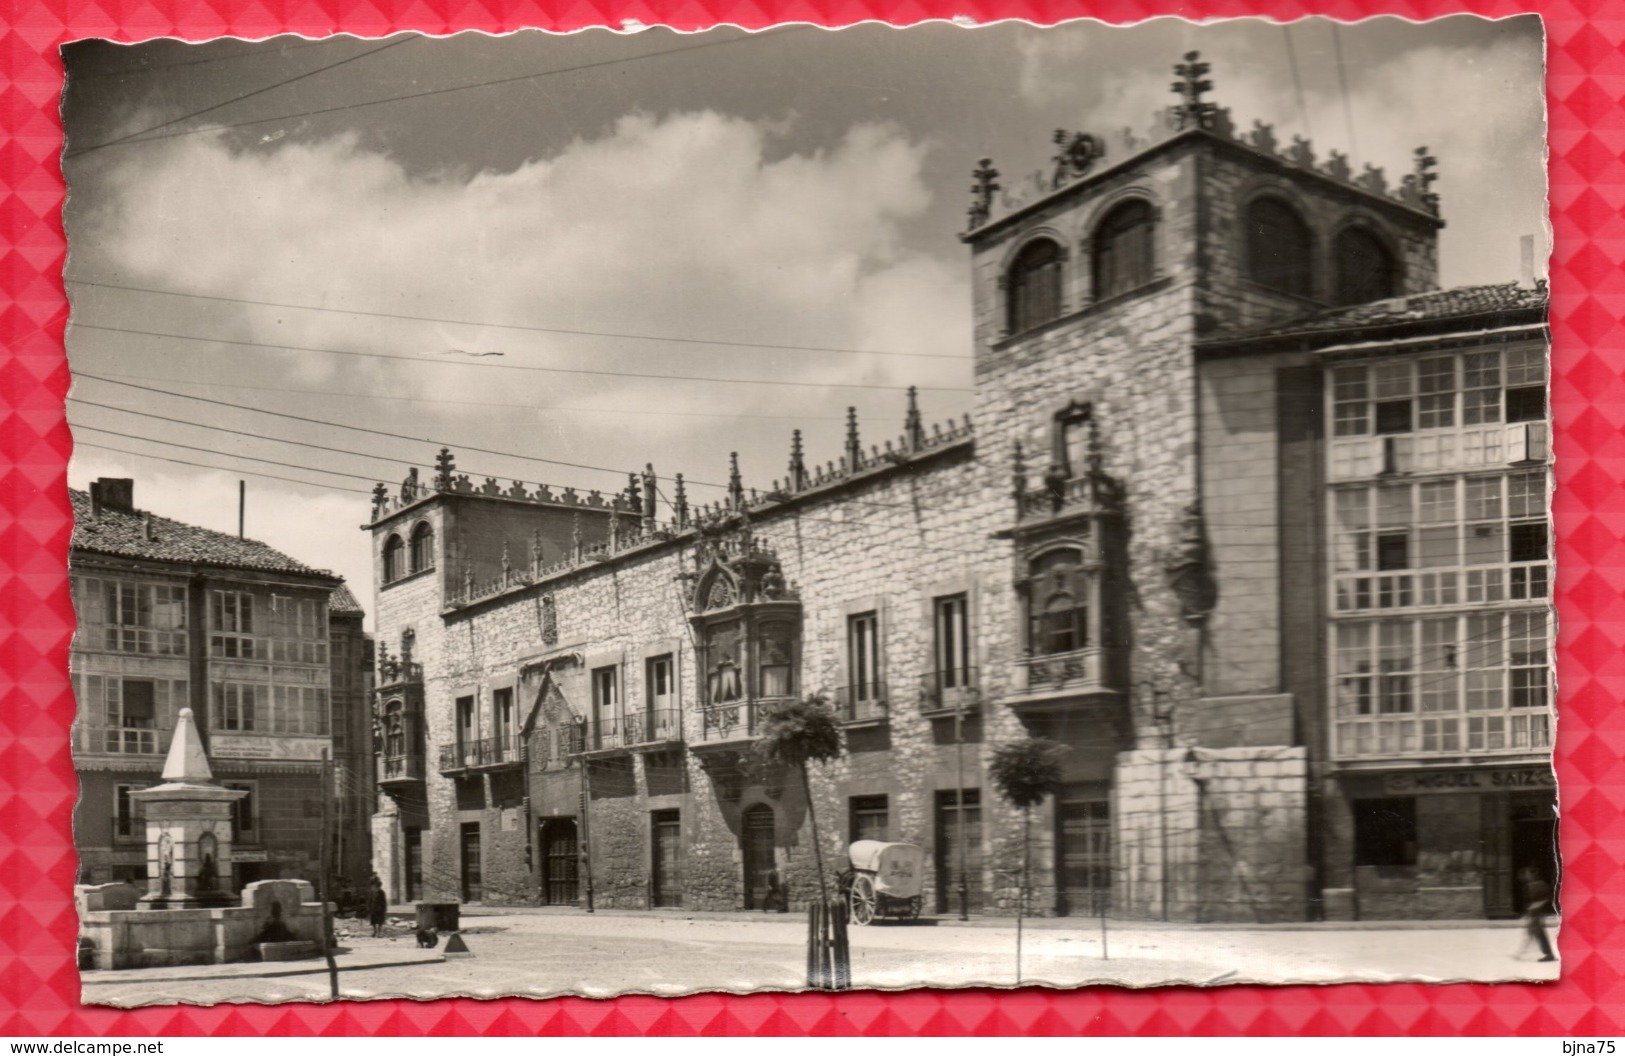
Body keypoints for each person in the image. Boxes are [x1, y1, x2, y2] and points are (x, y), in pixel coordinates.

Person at [1519, 866, 1556, 962]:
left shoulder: (1541, 885)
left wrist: (1537, 906)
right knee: (1533, 932)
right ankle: (1546, 953)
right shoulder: (1529, 886)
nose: (1527, 876)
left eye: (1528, 874)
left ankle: (1548, 954)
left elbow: (1547, 898)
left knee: (1538, 933)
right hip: (1534, 912)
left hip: (1538, 913)